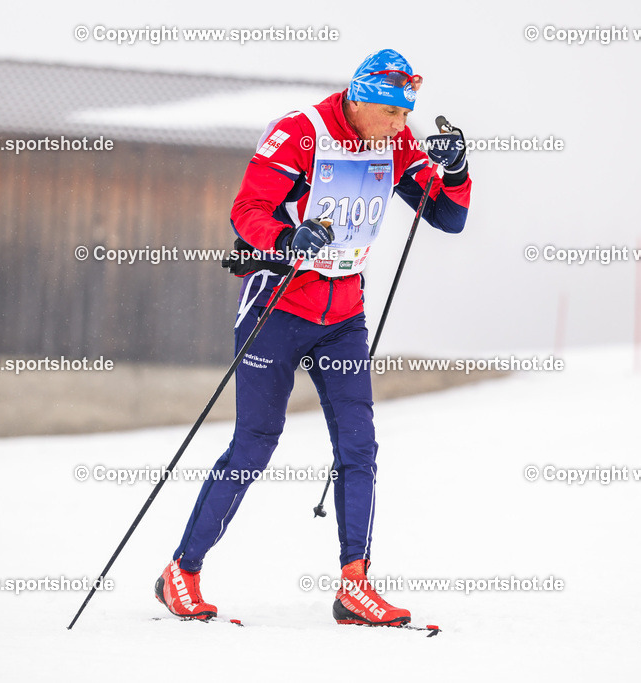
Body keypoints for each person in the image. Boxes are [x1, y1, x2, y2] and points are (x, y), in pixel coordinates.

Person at [155, 48, 472, 626]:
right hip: (276, 309)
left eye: (407, 115)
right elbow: (247, 209)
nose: (403, 126)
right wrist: (285, 238)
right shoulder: (301, 133)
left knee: (359, 446)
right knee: (256, 442)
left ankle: (355, 585)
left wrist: (455, 171)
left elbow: (447, 217)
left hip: (342, 317)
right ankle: (183, 570)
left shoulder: (397, 144)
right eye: (393, 113)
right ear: (361, 100)